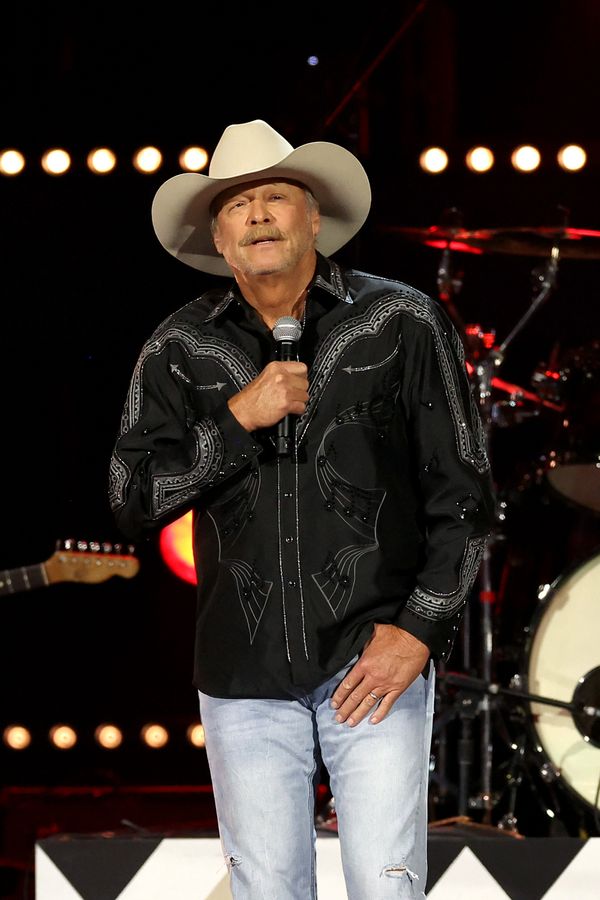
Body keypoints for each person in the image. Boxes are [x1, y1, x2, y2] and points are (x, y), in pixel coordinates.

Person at [108, 119, 495, 899]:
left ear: (314, 216)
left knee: (386, 888)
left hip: (371, 662)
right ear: (216, 233)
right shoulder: (179, 347)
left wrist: (417, 633)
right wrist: (236, 421)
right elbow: (132, 499)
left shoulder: (402, 321)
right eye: (237, 203)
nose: (256, 215)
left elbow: (468, 498)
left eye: (274, 197)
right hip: (242, 674)